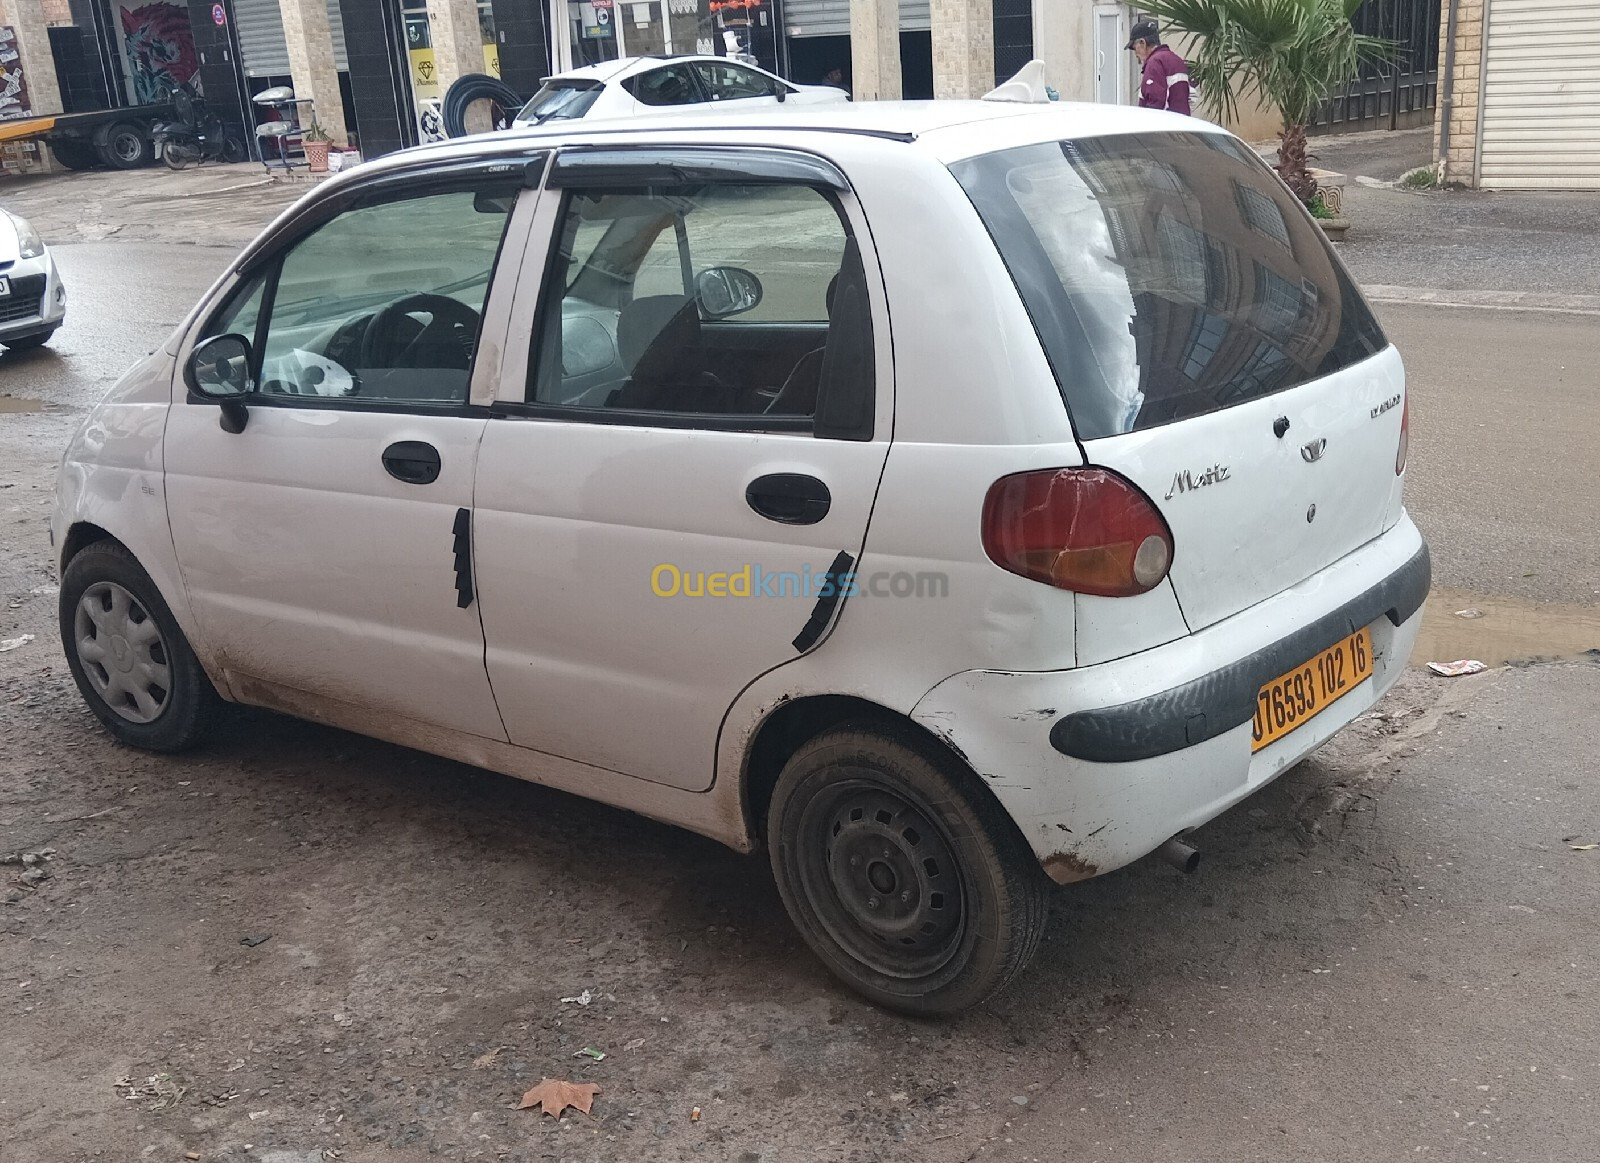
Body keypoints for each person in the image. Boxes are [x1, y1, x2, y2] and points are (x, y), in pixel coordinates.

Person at [1127, 18, 1191, 116]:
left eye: (1134, 48)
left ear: (1142, 43)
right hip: (1182, 124)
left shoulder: (1154, 63)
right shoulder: (1176, 60)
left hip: (1164, 127)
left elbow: (1154, 105)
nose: (1135, 53)